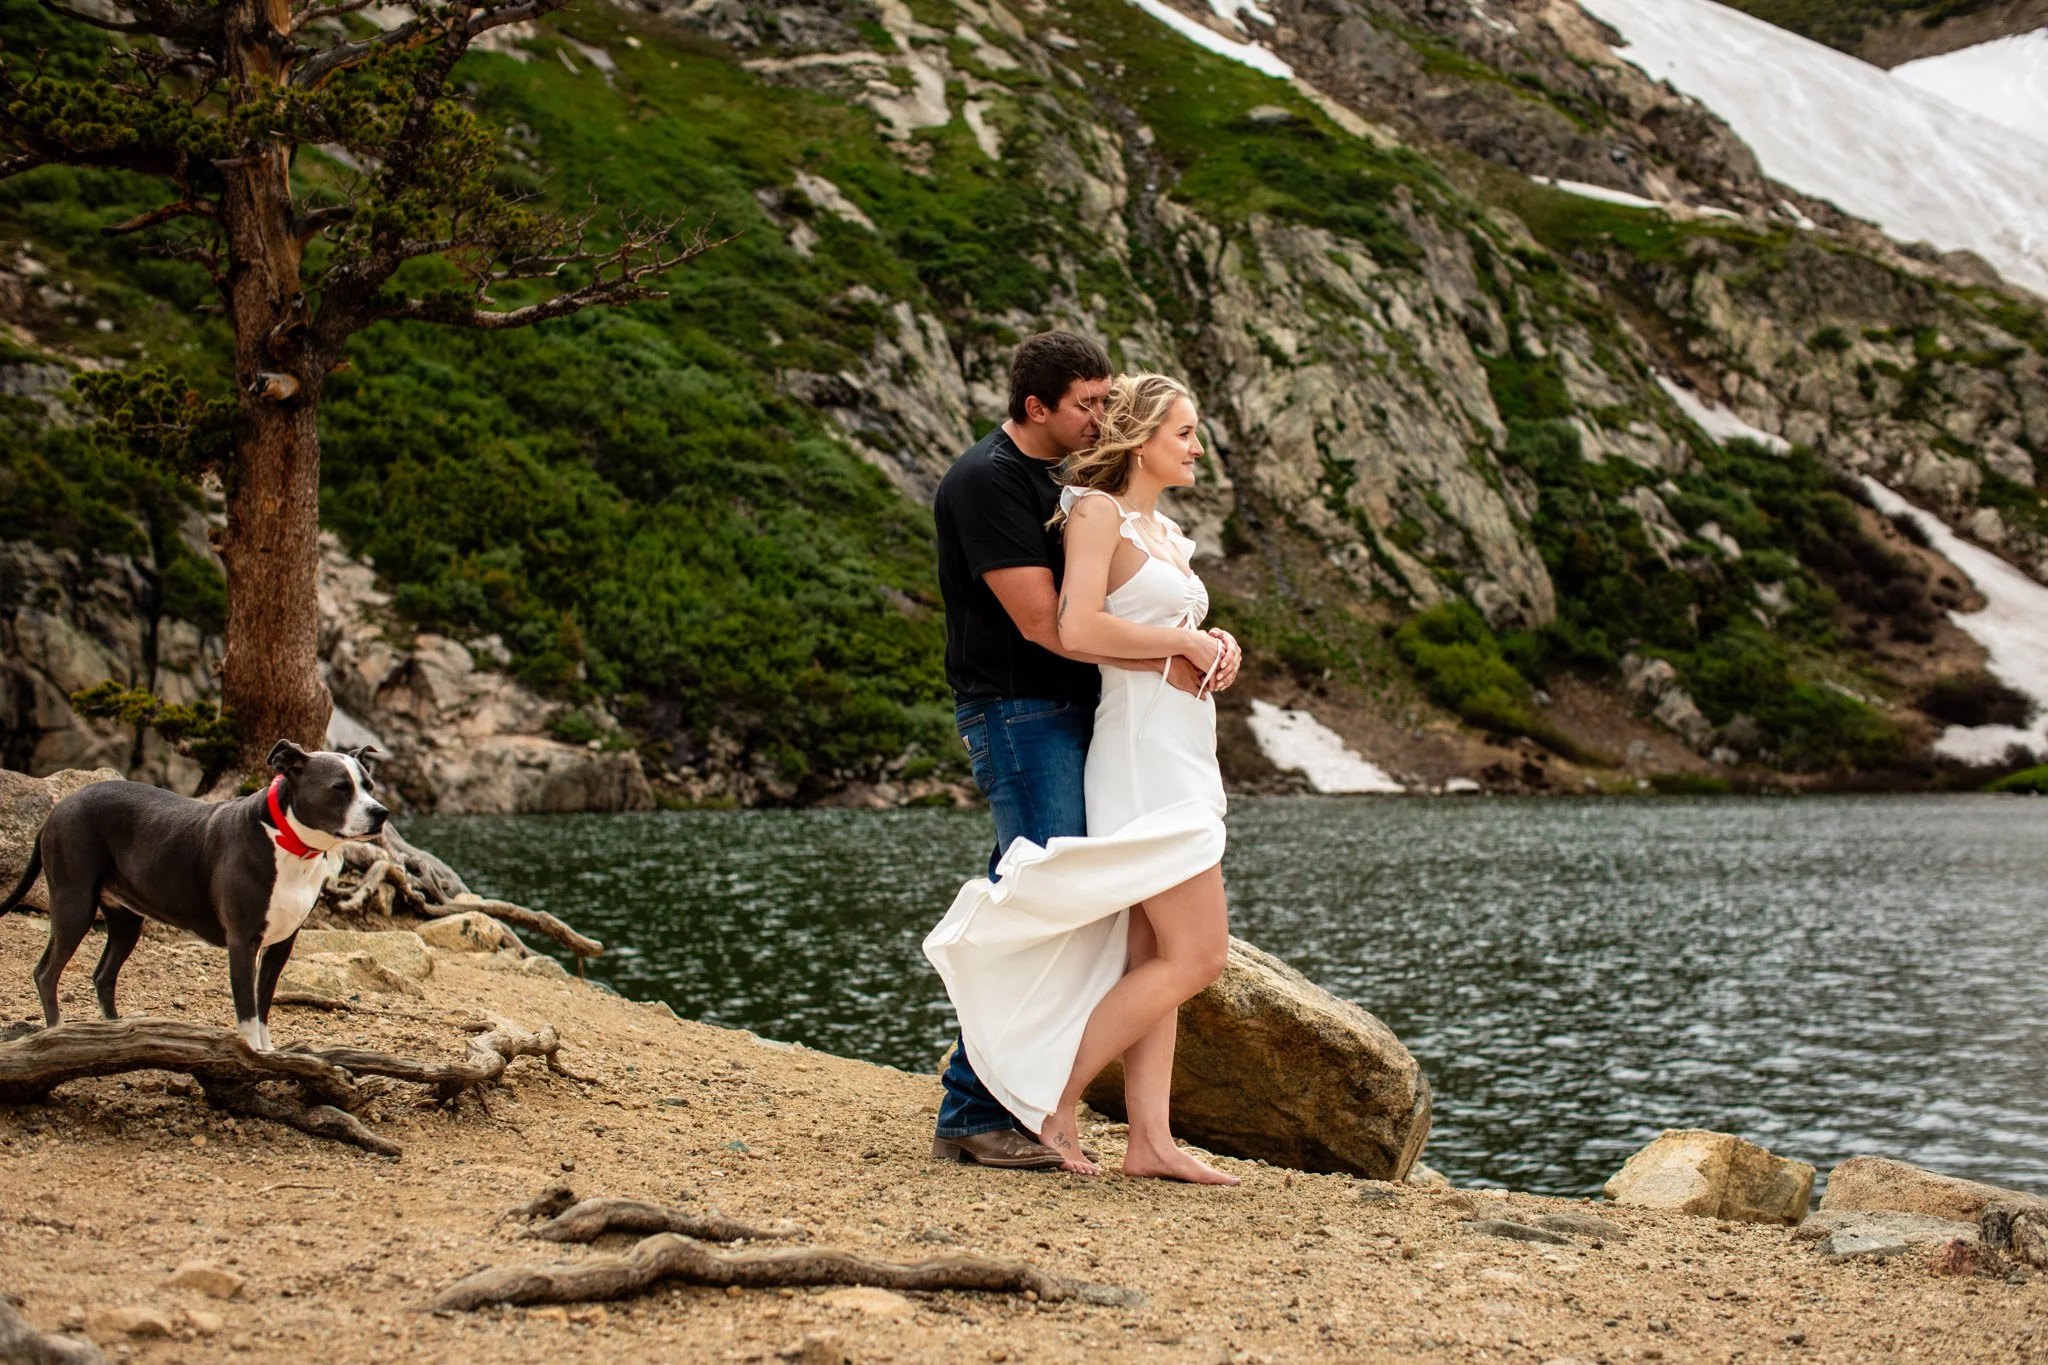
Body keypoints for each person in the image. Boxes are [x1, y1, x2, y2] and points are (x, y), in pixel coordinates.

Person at [928, 335, 1239, 1171]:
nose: (1099, 416)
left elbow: (1138, 617)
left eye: (1108, 402)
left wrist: (1208, 645)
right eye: (1087, 405)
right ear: (1038, 407)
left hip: (1101, 719)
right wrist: (1179, 650)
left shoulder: (1088, 496)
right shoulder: (990, 481)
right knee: (1047, 906)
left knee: (1132, 943)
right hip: (1023, 714)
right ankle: (998, 1110)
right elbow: (1051, 624)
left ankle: (1148, 1137)